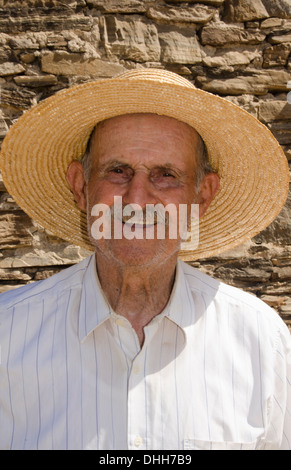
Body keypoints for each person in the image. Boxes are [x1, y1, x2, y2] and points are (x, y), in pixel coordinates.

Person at [0, 69, 290, 450]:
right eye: (118, 171)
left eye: (165, 175)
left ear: (201, 197)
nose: (136, 200)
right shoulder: (7, 333)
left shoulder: (260, 342)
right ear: (81, 187)